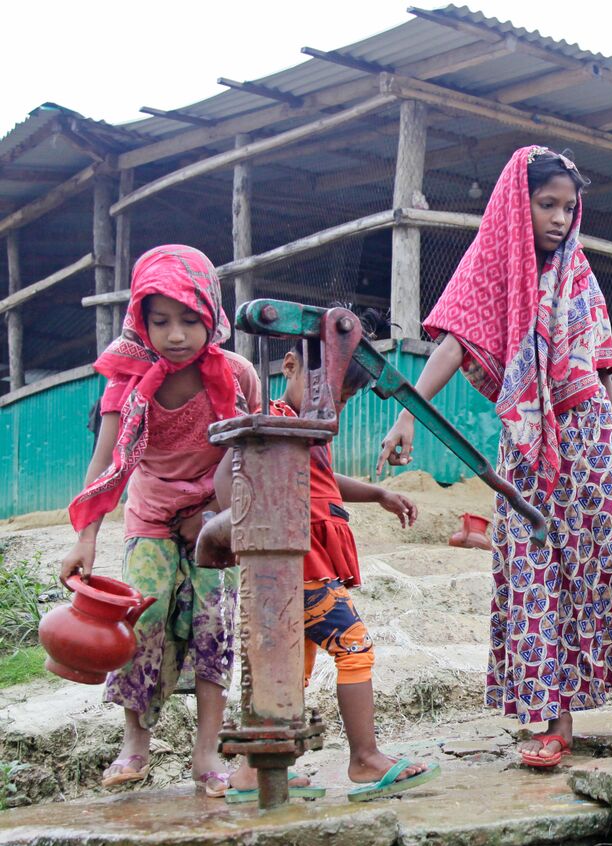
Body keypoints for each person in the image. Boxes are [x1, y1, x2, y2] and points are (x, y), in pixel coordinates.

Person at [376, 146, 612, 769]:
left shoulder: (579, 272)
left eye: (569, 208)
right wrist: (406, 412)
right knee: (539, 574)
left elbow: (600, 365)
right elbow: (456, 345)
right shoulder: (491, 268)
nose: (559, 219)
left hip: (591, 438)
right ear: (519, 203)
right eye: (547, 204)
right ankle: (555, 721)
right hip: (529, 447)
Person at [60, 245, 259, 797]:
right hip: (148, 513)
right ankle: (135, 745)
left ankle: (206, 755)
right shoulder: (125, 381)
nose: (175, 335)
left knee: (214, 626)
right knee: (141, 624)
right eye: (161, 321)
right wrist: (86, 538)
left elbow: (249, 455)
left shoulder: (237, 376)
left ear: (211, 315)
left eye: (189, 320)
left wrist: (217, 518)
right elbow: (106, 465)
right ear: (140, 322)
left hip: (214, 519)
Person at [209, 342, 438, 802]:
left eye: (343, 400)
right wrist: (247, 518)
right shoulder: (274, 422)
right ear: (290, 366)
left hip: (301, 571)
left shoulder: (307, 431)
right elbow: (225, 481)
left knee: (290, 670)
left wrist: (377, 494)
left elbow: (322, 483)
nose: (333, 407)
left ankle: (253, 773)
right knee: (354, 648)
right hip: (301, 568)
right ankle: (365, 758)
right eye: (329, 393)